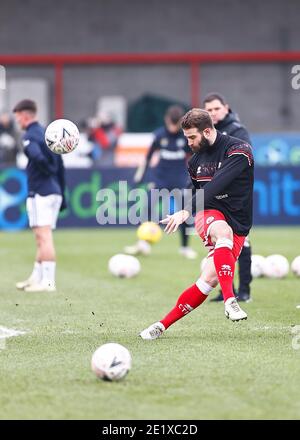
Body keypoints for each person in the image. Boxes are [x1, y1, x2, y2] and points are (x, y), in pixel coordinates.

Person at [140, 108, 254, 339]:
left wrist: (184, 211)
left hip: (239, 220)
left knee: (208, 280)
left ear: (208, 131)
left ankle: (161, 326)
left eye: (192, 137)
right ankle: (231, 301)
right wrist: (188, 210)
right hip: (210, 212)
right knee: (223, 233)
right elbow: (197, 190)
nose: (189, 143)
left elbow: (217, 184)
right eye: (186, 138)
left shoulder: (239, 151)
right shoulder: (195, 162)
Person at [124, 105, 197, 259]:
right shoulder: (159, 136)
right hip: (160, 179)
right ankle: (142, 243)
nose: (172, 127)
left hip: (179, 180)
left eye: (176, 124)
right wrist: (139, 178)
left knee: (183, 214)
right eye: (171, 123)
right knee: (147, 209)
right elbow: (148, 158)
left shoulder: (185, 137)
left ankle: (184, 248)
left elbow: (195, 158)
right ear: (166, 120)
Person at [203, 93, 252, 302]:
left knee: (243, 241)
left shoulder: (238, 131)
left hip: (235, 197)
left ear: (226, 108)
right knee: (222, 242)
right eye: (209, 110)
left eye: (216, 108)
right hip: (216, 196)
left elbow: (244, 161)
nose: (213, 113)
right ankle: (226, 290)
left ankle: (245, 291)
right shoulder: (207, 133)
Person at [13, 99, 66, 292]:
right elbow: (60, 165)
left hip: (40, 191)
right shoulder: (48, 133)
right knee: (41, 237)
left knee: (44, 237)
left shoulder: (30, 136)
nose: (17, 120)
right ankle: (36, 277)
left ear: (24, 115)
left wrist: (45, 166)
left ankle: (48, 282)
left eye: (18, 116)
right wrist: (63, 193)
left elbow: (36, 156)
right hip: (54, 191)